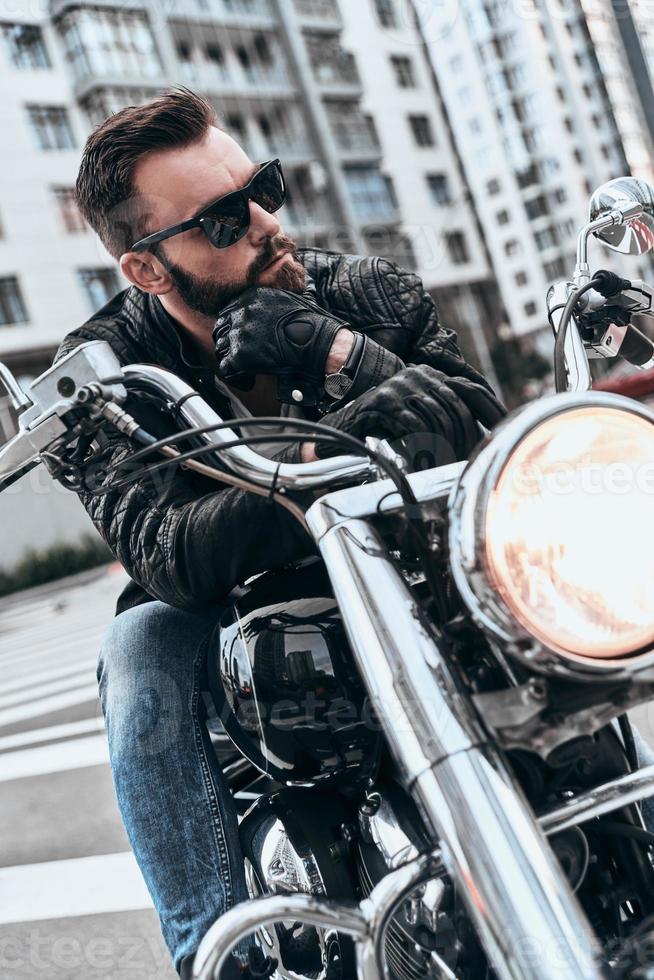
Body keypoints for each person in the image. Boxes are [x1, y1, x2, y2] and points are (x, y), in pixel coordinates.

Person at [54, 87, 505, 978]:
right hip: (236, 615)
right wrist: (327, 455)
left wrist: (333, 352)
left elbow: (484, 430)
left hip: (410, 559)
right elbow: (172, 554)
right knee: (140, 640)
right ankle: (215, 953)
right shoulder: (103, 381)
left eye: (262, 189)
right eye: (220, 222)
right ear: (146, 269)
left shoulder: (364, 290)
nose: (264, 224)